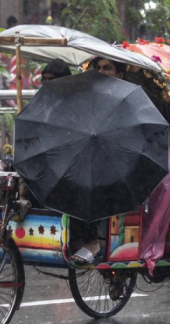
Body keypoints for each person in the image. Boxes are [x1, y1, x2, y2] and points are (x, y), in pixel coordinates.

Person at [70, 56, 127, 264]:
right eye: (99, 68)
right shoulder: (89, 100)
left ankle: (92, 241)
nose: (102, 72)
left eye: (107, 68)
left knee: (90, 181)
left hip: (119, 166)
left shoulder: (126, 102)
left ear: (119, 75)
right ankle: (75, 237)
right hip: (92, 160)